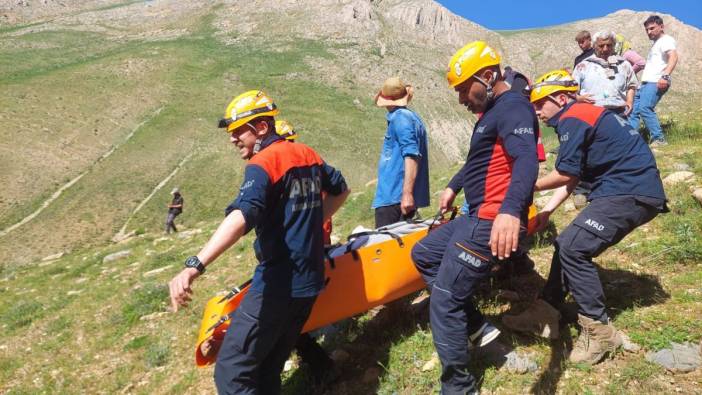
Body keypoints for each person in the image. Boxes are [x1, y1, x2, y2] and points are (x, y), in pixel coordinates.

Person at [168, 90, 350, 394]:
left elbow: (243, 215)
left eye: (239, 130)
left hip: (277, 283)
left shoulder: (264, 163)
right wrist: (311, 227)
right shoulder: (306, 153)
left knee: (232, 371)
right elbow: (340, 189)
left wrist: (194, 265)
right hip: (309, 281)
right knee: (266, 368)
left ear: (262, 128)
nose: (232, 139)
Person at [502, 70, 667, 365]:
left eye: (540, 104)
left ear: (561, 98)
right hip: (624, 191)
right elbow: (573, 177)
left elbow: (564, 173)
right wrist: (547, 210)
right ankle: (547, 309)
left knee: (573, 248)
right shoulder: (584, 114)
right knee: (566, 243)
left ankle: (599, 331)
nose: (536, 111)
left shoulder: (573, 117)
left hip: (629, 192)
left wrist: (524, 184)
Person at [411, 41, 539, 394]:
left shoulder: (513, 107)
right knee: (424, 255)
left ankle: (458, 388)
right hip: (475, 213)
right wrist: (454, 185)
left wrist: (511, 212)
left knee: (445, 300)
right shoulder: (492, 115)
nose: (461, 99)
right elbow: (478, 162)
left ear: (486, 76)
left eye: (464, 89)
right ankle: (479, 329)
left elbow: (527, 158)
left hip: (492, 217)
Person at [275, 119, 339, 386]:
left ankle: (319, 364)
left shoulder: (286, 168)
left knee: (288, 318)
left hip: (300, 256)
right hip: (312, 246)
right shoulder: (305, 161)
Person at [372, 77, 430, 228]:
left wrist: (407, 194)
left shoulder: (400, 118)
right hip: (398, 197)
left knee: (387, 246)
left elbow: (411, 154)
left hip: (394, 197)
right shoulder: (411, 117)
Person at [629, 14, 679, 146]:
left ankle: (659, 139)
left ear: (661, 27)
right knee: (633, 111)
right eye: (647, 30)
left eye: (652, 28)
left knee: (645, 108)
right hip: (645, 83)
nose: (649, 32)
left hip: (656, 81)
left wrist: (665, 76)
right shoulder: (656, 44)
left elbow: (673, 57)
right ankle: (630, 141)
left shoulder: (666, 40)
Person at [573, 30, 638, 116]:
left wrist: (629, 101)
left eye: (609, 45)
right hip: (591, 112)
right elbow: (571, 90)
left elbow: (631, 85)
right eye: (601, 46)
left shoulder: (624, 64)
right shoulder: (583, 66)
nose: (605, 49)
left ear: (614, 45)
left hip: (619, 112)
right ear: (594, 46)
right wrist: (579, 98)